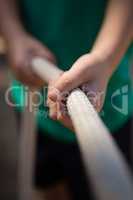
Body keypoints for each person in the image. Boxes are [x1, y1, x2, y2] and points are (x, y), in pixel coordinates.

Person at [0, 0, 133, 199]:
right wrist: (13, 35)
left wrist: (105, 59)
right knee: (50, 185)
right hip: (31, 99)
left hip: (111, 106)